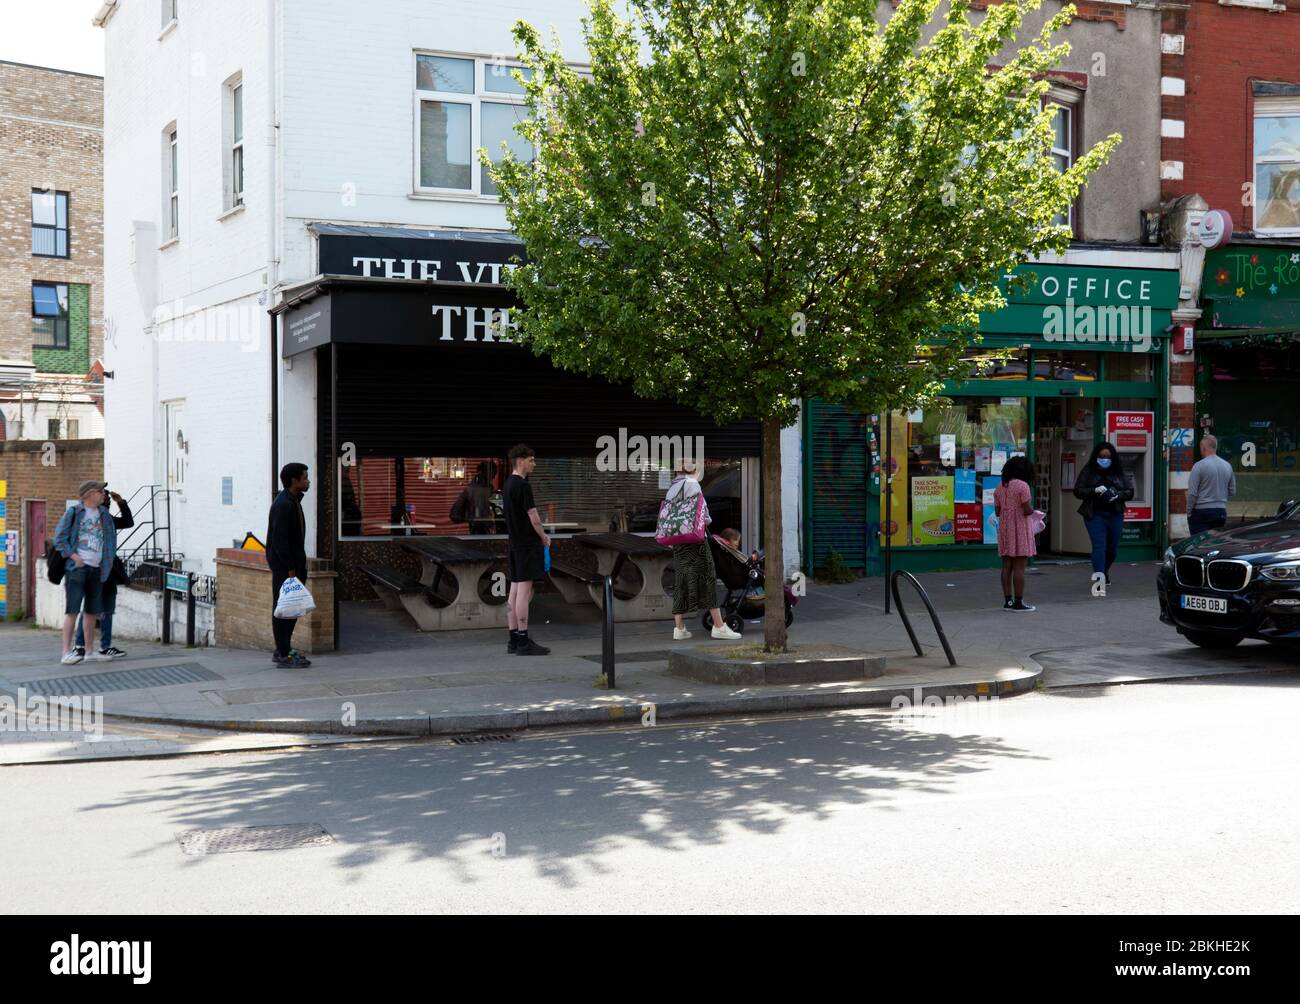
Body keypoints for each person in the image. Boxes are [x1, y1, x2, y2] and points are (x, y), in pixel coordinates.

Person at [666, 460, 741, 641]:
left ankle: (679, 628)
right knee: (708, 577)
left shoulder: (673, 487)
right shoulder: (692, 484)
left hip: (678, 540)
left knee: (682, 579)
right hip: (695, 539)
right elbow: (704, 515)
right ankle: (719, 626)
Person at [52, 481, 120, 665]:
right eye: (101, 491)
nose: (104, 494)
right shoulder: (74, 513)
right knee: (72, 610)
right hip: (77, 569)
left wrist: (107, 561)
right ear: (90, 494)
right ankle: (66, 652)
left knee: (92, 611)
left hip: (98, 569)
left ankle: (89, 651)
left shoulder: (104, 514)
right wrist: (74, 557)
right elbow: (59, 539)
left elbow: (111, 539)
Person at [74, 488, 135, 660]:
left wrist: (121, 503)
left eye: (106, 495)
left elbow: (128, 522)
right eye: (103, 494)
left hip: (108, 570)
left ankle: (102, 646)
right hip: (93, 569)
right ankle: (81, 646)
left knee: (107, 609)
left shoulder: (107, 518)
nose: (106, 497)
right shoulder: (85, 518)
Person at [503, 444, 549, 655]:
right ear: (521, 460)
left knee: (513, 592)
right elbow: (534, 517)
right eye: (531, 460)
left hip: (514, 544)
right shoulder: (522, 486)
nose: (534, 464)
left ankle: (513, 639)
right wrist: (544, 536)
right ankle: (523, 641)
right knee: (524, 592)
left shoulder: (508, 485)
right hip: (527, 545)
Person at [1072, 442, 1133, 594]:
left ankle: (1103, 571)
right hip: (1094, 514)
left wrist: (1118, 495)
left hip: (1115, 514)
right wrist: (1094, 490)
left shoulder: (1119, 472)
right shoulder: (1089, 470)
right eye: (1101, 456)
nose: (1104, 459)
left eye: (1107, 457)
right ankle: (1099, 582)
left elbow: (1130, 491)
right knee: (1099, 547)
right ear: (1096, 456)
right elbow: (1078, 490)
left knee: (1112, 549)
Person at [267, 462, 312, 668]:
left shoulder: (293, 501)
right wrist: (290, 568)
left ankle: (283, 648)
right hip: (287, 567)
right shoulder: (284, 504)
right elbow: (279, 541)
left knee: (292, 606)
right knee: (283, 607)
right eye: (304, 477)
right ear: (295, 481)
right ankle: (283, 652)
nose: (307, 481)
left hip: (295, 564)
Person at [993, 456, 1036, 611]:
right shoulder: (1023, 486)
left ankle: (1007, 601)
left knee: (1006, 566)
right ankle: (1018, 602)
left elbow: (997, 511)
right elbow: (1027, 509)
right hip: (1019, 530)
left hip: (1005, 529)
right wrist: (1035, 511)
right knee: (1019, 566)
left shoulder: (1000, 487)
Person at [1187, 434, 1236, 536]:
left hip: (1201, 512)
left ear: (1203, 447)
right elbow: (1232, 491)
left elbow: (1192, 493)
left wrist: (1189, 512)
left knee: (1198, 544)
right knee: (1215, 544)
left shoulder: (1199, 466)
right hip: (1220, 512)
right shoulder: (1227, 466)